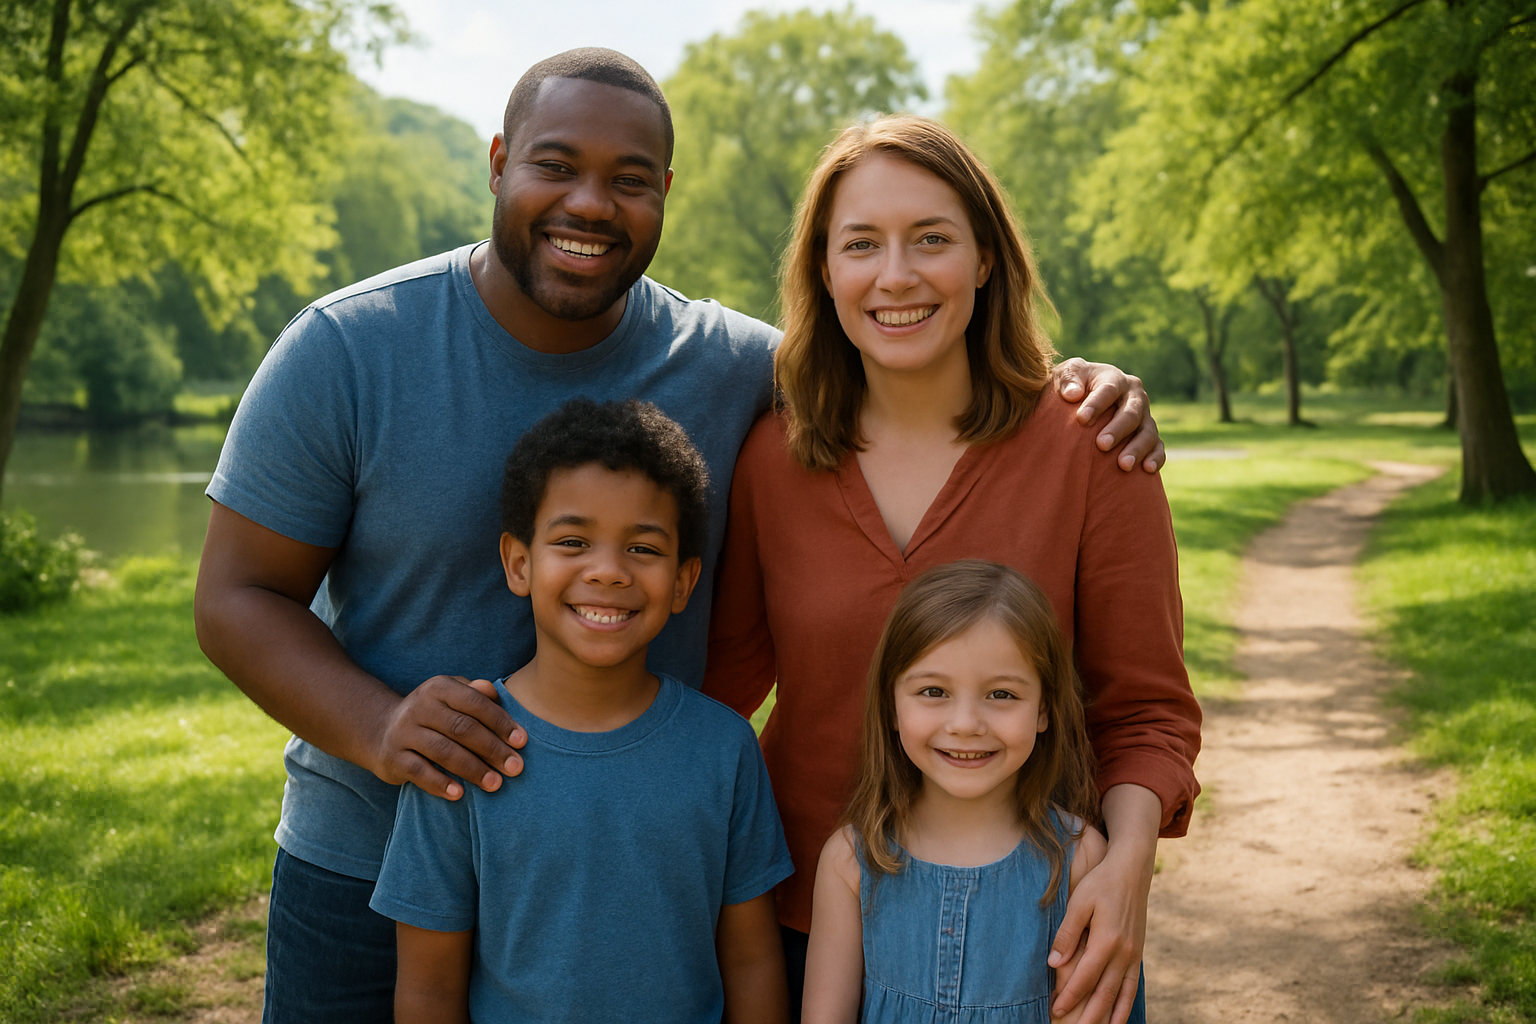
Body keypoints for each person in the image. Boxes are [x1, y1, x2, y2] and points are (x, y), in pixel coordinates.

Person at [192, 48, 1163, 1022]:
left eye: (629, 180)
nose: (589, 203)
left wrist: (1077, 389)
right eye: (555, 165)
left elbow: (899, 349)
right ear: (497, 162)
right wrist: (383, 729)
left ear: (666, 192)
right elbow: (237, 597)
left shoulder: (735, 370)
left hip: (623, 879)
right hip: (366, 853)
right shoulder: (346, 347)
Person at [702, 114, 1200, 1024]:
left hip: (1042, 937)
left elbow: (1148, 712)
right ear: (824, 270)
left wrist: (1127, 871)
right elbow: (715, 692)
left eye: (931, 238)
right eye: (862, 244)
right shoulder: (774, 459)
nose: (896, 275)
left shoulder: (1092, 447)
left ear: (984, 260)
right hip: (810, 926)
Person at [369, 398, 792, 1024]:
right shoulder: (466, 746)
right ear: (519, 563)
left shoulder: (725, 749)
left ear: (683, 581)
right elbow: (429, 990)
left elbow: (753, 965)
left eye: (644, 549)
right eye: (573, 541)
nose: (608, 572)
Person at [801, 560, 1119, 1024]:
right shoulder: (851, 861)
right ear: (891, 706)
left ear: (1044, 709)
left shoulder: (1080, 859)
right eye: (933, 691)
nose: (966, 724)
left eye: (1002, 695)